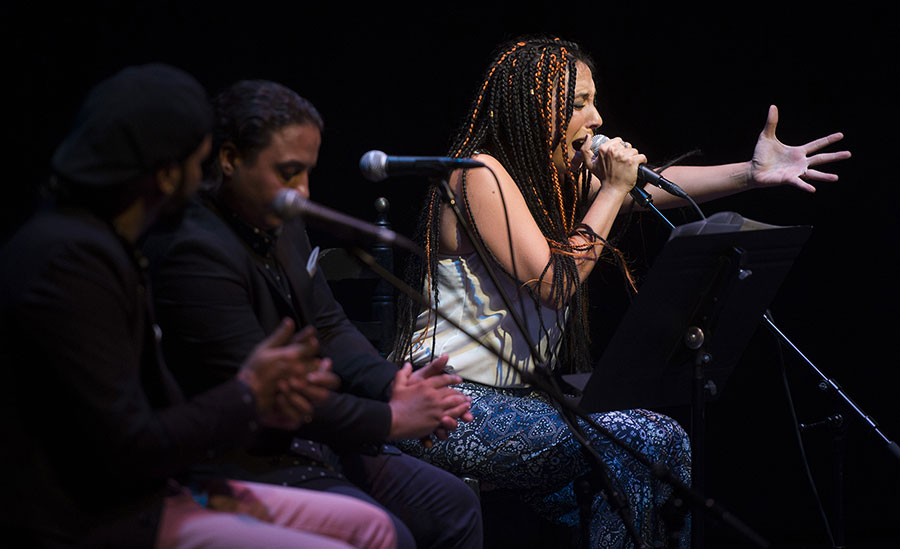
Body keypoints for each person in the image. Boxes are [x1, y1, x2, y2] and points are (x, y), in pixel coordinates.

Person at [391, 36, 851, 548]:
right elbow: (553, 282)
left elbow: (654, 186)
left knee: (652, 458)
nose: (597, 118)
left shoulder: (543, 182)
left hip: (514, 403)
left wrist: (752, 173)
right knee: (646, 439)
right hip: (445, 403)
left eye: (594, 101)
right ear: (532, 110)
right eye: (579, 104)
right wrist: (611, 189)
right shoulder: (478, 174)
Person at [0, 64, 398, 549]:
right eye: (199, 161)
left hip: (160, 485)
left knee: (372, 528)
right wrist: (251, 395)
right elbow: (126, 444)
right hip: (94, 517)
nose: (203, 176)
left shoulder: (110, 245)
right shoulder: (69, 262)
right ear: (167, 174)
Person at [143, 79, 483, 549]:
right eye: (287, 172)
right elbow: (270, 396)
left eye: (307, 173)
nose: (301, 191)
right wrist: (392, 418)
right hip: (249, 455)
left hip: (318, 439)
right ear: (228, 159)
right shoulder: (193, 250)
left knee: (453, 505)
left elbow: (328, 324)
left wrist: (391, 384)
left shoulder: (280, 219)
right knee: (394, 536)